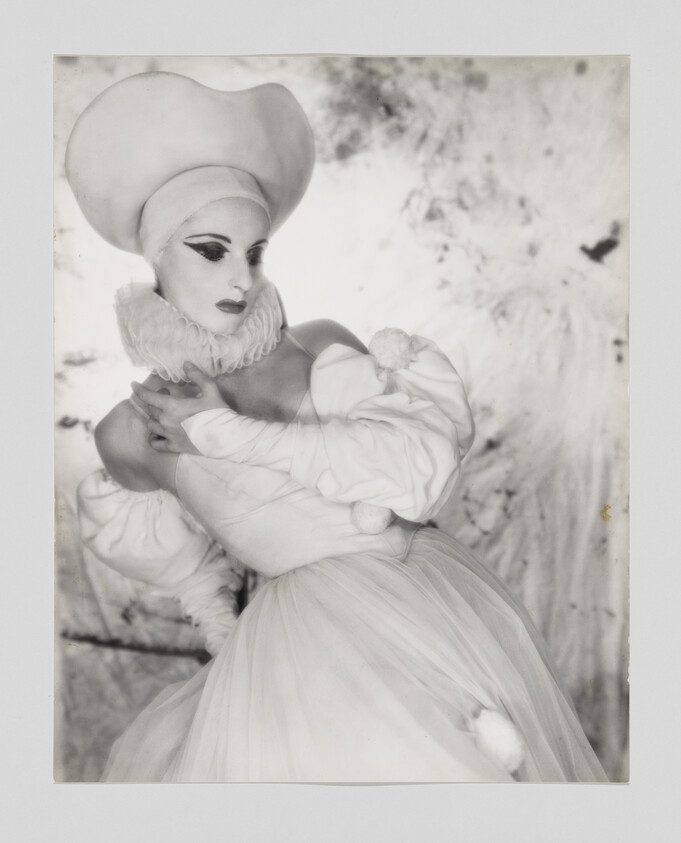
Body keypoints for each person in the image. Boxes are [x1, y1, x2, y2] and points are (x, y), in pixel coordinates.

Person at [67, 71, 608, 782]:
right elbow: (192, 570)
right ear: (156, 259)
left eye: (253, 251)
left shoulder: (314, 346)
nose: (240, 277)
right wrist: (233, 644)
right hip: (293, 655)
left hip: (416, 602)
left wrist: (223, 429)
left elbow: (411, 475)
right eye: (210, 248)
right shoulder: (128, 433)